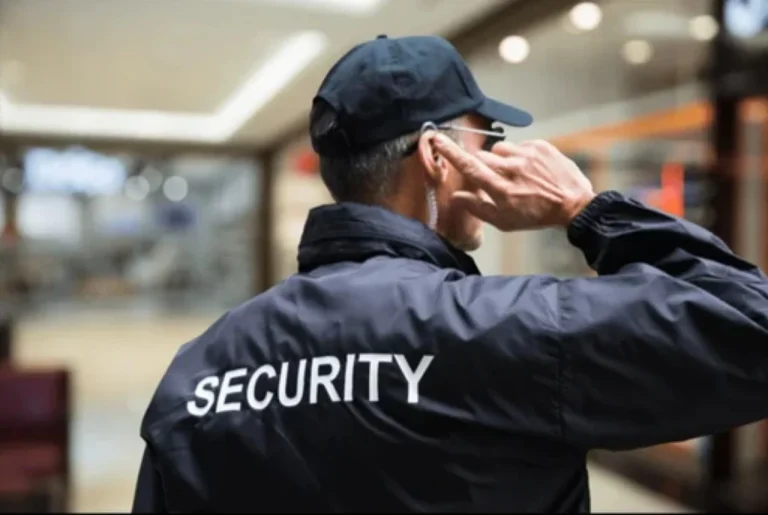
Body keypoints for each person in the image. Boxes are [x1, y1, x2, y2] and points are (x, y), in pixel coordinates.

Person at [132, 35, 768, 513]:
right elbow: (752, 326)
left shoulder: (202, 368)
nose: (496, 153)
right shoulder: (510, 329)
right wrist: (586, 209)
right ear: (438, 154)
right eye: (487, 137)